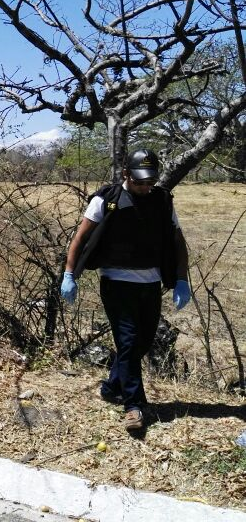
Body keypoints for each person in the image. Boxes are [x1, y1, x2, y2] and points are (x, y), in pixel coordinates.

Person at [60, 148, 191, 431]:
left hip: (150, 284)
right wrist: (69, 273)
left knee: (141, 342)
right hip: (116, 283)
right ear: (125, 175)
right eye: (139, 181)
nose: (145, 187)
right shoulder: (105, 200)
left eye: (149, 181)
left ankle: (111, 386)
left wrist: (182, 279)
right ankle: (134, 406)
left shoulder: (163, 201)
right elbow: (80, 238)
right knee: (129, 342)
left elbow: (178, 242)